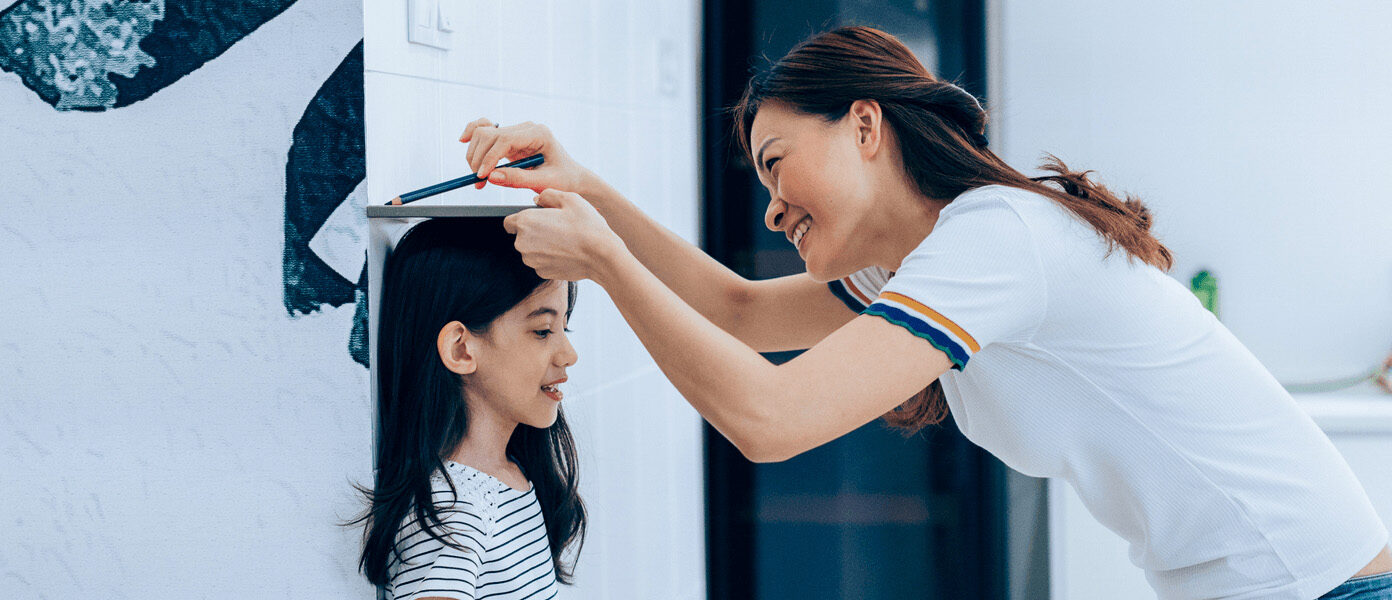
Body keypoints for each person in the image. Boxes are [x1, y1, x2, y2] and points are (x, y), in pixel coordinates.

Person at [461, 26, 1392, 599]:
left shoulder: (998, 240)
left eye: (777, 164)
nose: (772, 208)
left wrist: (604, 261)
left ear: (865, 126)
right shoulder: (925, 264)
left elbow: (771, 422)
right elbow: (741, 313)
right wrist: (584, 189)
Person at [350, 217, 584, 599]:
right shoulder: (456, 512)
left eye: (564, 328)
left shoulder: (507, 476)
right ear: (461, 348)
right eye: (543, 331)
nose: (568, 355)